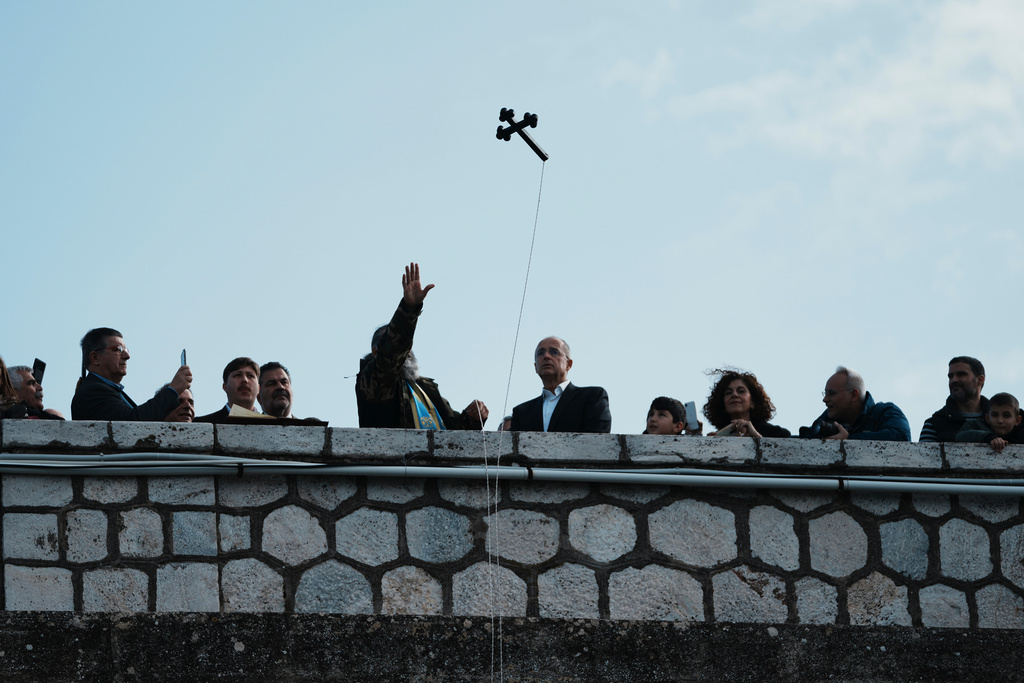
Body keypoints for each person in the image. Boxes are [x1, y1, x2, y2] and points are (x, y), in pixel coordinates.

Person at [357, 263, 488, 430]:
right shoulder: (371, 382)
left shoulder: (424, 388)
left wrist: (473, 417)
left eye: (408, 345)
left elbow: (455, 433)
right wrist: (408, 309)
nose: (407, 350)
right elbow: (391, 355)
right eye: (390, 340)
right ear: (376, 351)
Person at [71, 327, 192, 421]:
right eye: (117, 349)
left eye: (126, 350)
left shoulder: (107, 390)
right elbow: (132, 423)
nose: (127, 356)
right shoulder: (93, 391)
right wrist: (173, 390)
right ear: (95, 357)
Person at [510, 336, 611, 433]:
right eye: (540, 353)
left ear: (568, 364)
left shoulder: (592, 397)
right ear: (536, 367)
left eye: (554, 352)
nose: (546, 356)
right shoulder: (522, 412)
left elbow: (598, 440)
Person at [801, 366, 911, 441]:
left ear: (854, 395)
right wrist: (784, 437)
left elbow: (902, 437)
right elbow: (808, 438)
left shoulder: (884, 412)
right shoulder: (830, 418)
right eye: (825, 393)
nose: (825, 399)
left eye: (831, 393)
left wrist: (850, 439)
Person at [702, 369, 789, 438]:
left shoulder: (775, 433)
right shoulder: (717, 437)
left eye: (741, 391)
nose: (734, 395)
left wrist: (756, 437)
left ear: (752, 402)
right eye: (728, 393)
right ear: (723, 405)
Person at [920, 356, 988, 442]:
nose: (954, 380)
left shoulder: (1003, 421)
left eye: (961, 374)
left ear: (980, 380)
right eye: (950, 376)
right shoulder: (934, 424)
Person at [194, 357, 260, 423]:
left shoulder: (269, 425)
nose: (245, 380)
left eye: (250, 376)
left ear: (259, 388)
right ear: (225, 387)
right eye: (238, 375)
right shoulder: (202, 423)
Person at [956, 392, 1024, 453]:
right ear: (987, 418)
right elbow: (960, 436)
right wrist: (987, 437)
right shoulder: (976, 425)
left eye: (1006, 416)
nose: (1000, 420)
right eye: (995, 415)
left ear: (1017, 420)